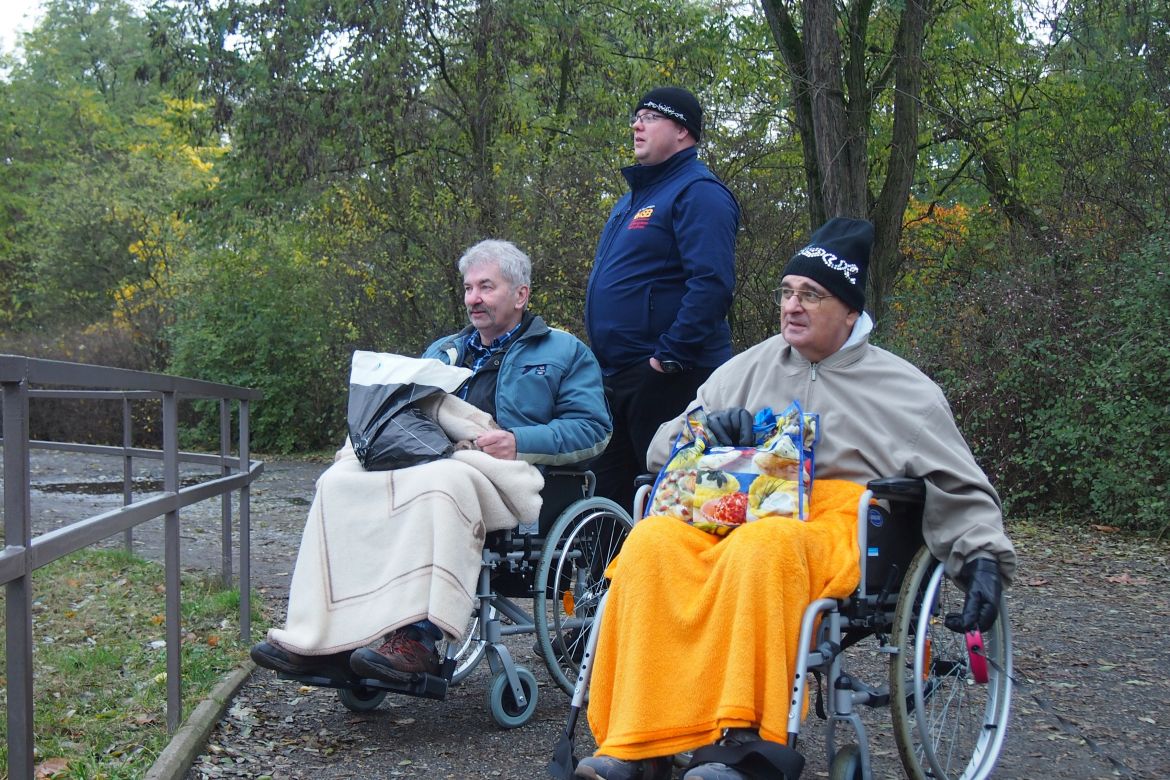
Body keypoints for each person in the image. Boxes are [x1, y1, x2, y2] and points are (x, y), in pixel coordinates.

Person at [575, 218, 1017, 780]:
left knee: (766, 547)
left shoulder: (907, 392)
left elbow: (960, 484)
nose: (792, 306)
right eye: (786, 292)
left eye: (812, 295)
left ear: (851, 313)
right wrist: (710, 431)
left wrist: (982, 560)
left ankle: (744, 747)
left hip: (837, 522)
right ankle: (637, 743)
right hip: (734, 506)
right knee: (653, 542)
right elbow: (661, 447)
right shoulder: (748, 368)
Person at [250, 239, 611, 684]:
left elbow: (593, 430)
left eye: (486, 287)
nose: (473, 299)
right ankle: (323, 637)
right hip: (430, 459)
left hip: (509, 473)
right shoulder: (442, 351)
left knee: (440, 485)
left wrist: (518, 440)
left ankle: (418, 638)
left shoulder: (563, 352)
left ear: (521, 295)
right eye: (467, 288)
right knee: (339, 482)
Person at [585, 86, 740, 514]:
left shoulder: (699, 193)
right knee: (610, 504)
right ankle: (613, 584)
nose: (637, 124)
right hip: (619, 378)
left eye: (650, 116)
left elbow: (712, 284)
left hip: (670, 376)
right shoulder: (631, 200)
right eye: (636, 115)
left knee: (673, 505)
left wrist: (669, 358)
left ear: (682, 131)